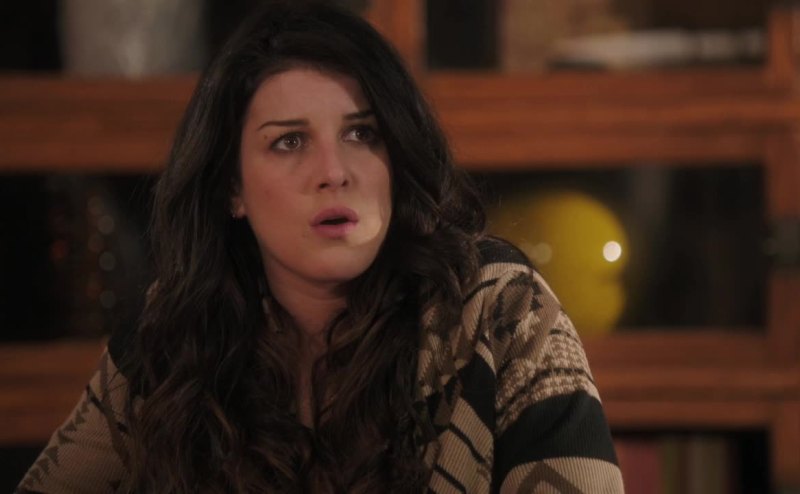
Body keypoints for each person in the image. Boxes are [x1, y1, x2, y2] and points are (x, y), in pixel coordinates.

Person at [18, 1, 623, 492]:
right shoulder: (172, 335)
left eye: (362, 134)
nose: (334, 172)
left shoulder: (499, 310)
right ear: (232, 188)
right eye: (289, 142)